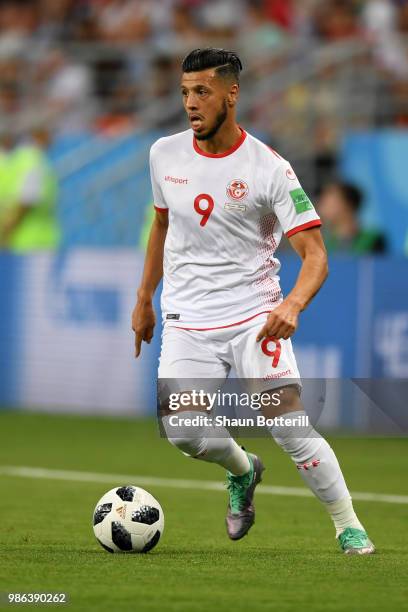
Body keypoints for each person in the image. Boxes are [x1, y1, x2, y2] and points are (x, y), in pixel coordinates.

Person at [132, 48, 375, 555]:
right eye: (184, 92)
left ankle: (348, 525)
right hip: (186, 319)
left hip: (254, 319)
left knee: (288, 426)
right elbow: (161, 225)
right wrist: (144, 297)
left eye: (202, 91)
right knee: (183, 432)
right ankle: (243, 469)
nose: (191, 103)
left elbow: (316, 256)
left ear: (231, 93)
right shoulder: (164, 154)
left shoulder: (271, 169)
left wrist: (292, 305)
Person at [0, 127, 59, 251]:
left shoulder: (26, 159)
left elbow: (25, 200)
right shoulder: (31, 160)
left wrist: (6, 232)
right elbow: (25, 200)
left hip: (29, 242)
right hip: (27, 241)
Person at [318, 181, 387, 254]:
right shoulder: (324, 246)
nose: (322, 204)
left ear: (348, 204)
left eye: (328, 197)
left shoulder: (373, 240)